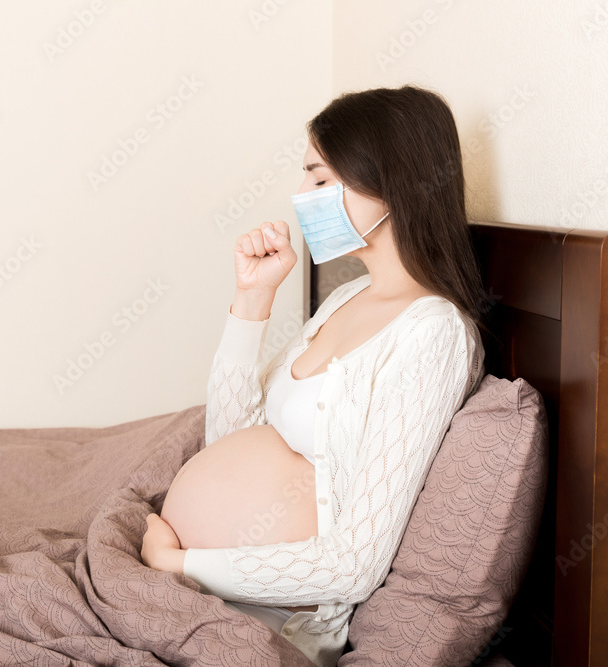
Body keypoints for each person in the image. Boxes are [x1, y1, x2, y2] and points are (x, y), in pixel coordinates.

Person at [141, 85, 487, 667]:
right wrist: (253, 299)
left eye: (320, 179)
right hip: (204, 588)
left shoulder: (432, 333)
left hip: (271, 617)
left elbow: (356, 561)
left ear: (394, 183)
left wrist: (179, 563)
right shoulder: (349, 297)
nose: (301, 196)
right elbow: (230, 441)